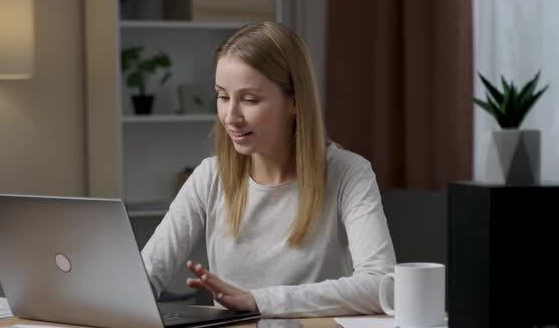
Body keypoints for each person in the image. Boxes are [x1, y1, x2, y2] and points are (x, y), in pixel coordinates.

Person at [141, 21, 396, 318]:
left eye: (250, 99)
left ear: (295, 103)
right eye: (222, 96)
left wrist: (259, 301)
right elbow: (145, 276)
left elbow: (381, 285)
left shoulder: (348, 173)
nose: (231, 117)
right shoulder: (209, 177)